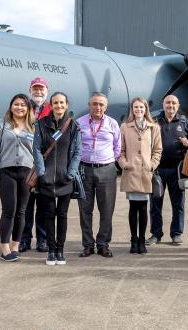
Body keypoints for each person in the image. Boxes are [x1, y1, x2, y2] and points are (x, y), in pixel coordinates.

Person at [33, 92, 81, 266]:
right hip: (46, 179)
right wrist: (41, 172)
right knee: (48, 215)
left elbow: (77, 152)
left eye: (62, 103)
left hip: (65, 179)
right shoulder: (40, 124)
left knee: (62, 215)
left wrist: (71, 172)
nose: (59, 106)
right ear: (51, 105)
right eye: (55, 103)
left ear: (66, 105)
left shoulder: (73, 126)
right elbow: (36, 149)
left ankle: (60, 250)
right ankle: (51, 251)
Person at [0, 94, 36, 262]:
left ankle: (16, 246)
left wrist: (37, 175)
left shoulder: (33, 127)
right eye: (16, 104)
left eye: (23, 105)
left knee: (22, 211)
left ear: (28, 108)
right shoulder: (1, 124)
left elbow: (38, 152)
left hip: (27, 173)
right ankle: (5, 249)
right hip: (6, 172)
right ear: (11, 106)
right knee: (9, 210)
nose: (20, 107)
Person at [77, 92, 121, 258]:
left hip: (106, 170)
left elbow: (118, 146)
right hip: (84, 169)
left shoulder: (112, 123)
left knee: (106, 209)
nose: (98, 107)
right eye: (95, 104)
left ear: (106, 106)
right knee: (85, 210)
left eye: (101, 104)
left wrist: (109, 161)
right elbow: (74, 146)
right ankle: (88, 245)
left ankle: (103, 244)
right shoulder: (79, 123)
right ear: (89, 104)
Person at [118, 97, 162, 255]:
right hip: (131, 172)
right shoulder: (124, 127)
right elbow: (120, 149)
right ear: (132, 109)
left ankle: (142, 240)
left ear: (146, 109)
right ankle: (133, 239)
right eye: (136, 107)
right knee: (132, 208)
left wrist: (152, 164)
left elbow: (158, 150)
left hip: (145, 173)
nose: (138, 110)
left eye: (141, 107)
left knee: (143, 208)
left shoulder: (153, 127)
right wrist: (124, 164)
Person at [147, 95, 188, 245]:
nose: (171, 105)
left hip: (177, 171)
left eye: (174, 103)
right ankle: (155, 234)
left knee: (178, 204)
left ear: (178, 105)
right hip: (158, 170)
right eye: (168, 102)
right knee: (155, 204)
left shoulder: (184, 121)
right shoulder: (154, 121)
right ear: (163, 104)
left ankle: (176, 234)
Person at [22, 76, 50, 253]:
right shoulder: (23, 108)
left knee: (43, 205)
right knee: (25, 206)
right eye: (35, 89)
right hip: (25, 165)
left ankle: (42, 239)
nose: (38, 92)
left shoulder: (51, 109)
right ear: (30, 90)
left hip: (45, 165)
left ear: (46, 91)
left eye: (41, 89)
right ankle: (24, 239)